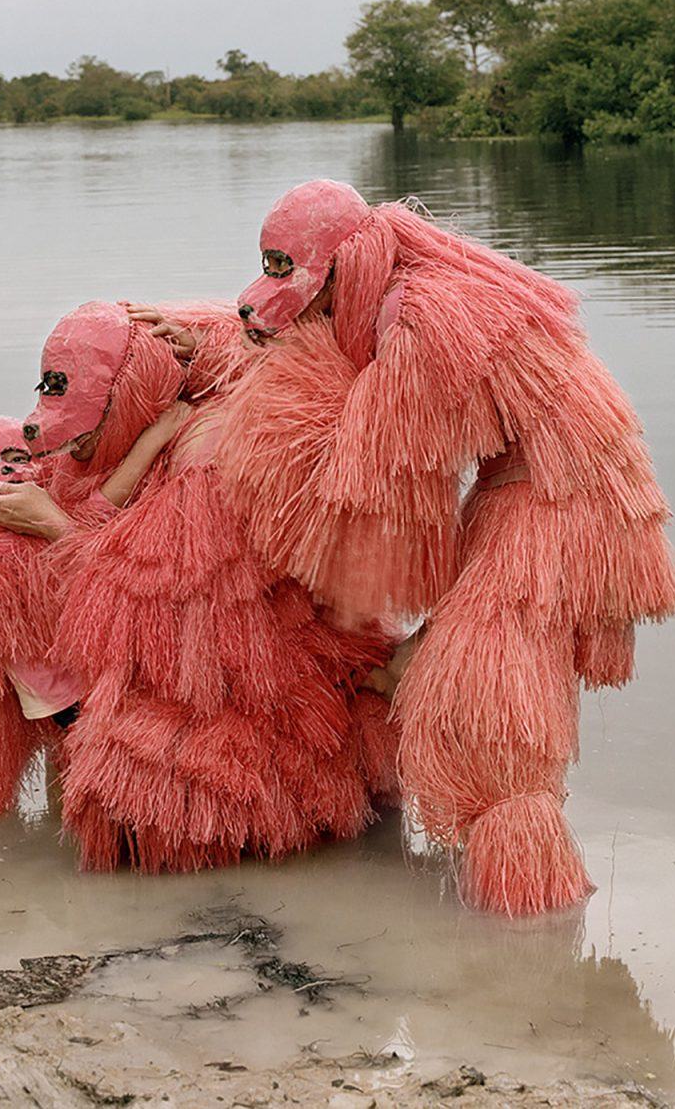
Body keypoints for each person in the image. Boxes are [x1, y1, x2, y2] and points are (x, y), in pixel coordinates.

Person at [210, 179, 675, 918]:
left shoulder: (423, 319)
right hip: (549, 491)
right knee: (466, 686)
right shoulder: (414, 299)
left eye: (289, 272)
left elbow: (372, 486)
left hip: (561, 505)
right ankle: (521, 913)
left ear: (341, 265)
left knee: (481, 717)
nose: (288, 294)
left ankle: (526, 941)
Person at [21, 300, 395, 872]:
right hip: (264, 656)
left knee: (120, 772)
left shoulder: (205, 460)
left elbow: (148, 607)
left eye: (84, 428)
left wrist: (49, 522)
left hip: (263, 703)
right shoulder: (202, 385)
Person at [0, 406, 185, 815]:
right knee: (98, 767)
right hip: (56, 694)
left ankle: (67, 838)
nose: (3, 474)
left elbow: (101, 504)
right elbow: (97, 568)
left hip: (84, 676)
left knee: (80, 763)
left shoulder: (45, 509)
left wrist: (154, 437)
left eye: (16, 459)